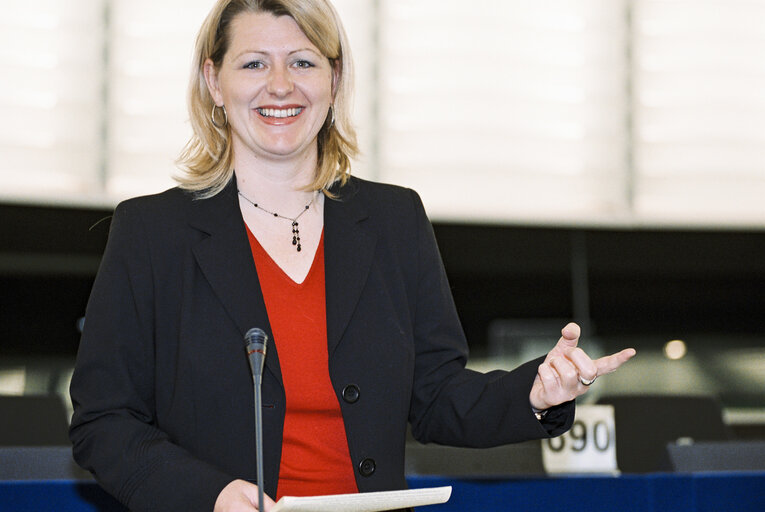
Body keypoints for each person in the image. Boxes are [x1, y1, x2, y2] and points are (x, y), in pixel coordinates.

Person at [68, 1, 636, 511]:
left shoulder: (394, 221)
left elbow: (437, 396)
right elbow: (104, 421)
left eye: (304, 62)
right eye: (254, 64)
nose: (281, 85)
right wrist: (209, 495)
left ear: (334, 79)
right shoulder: (151, 232)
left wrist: (537, 393)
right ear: (214, 81)